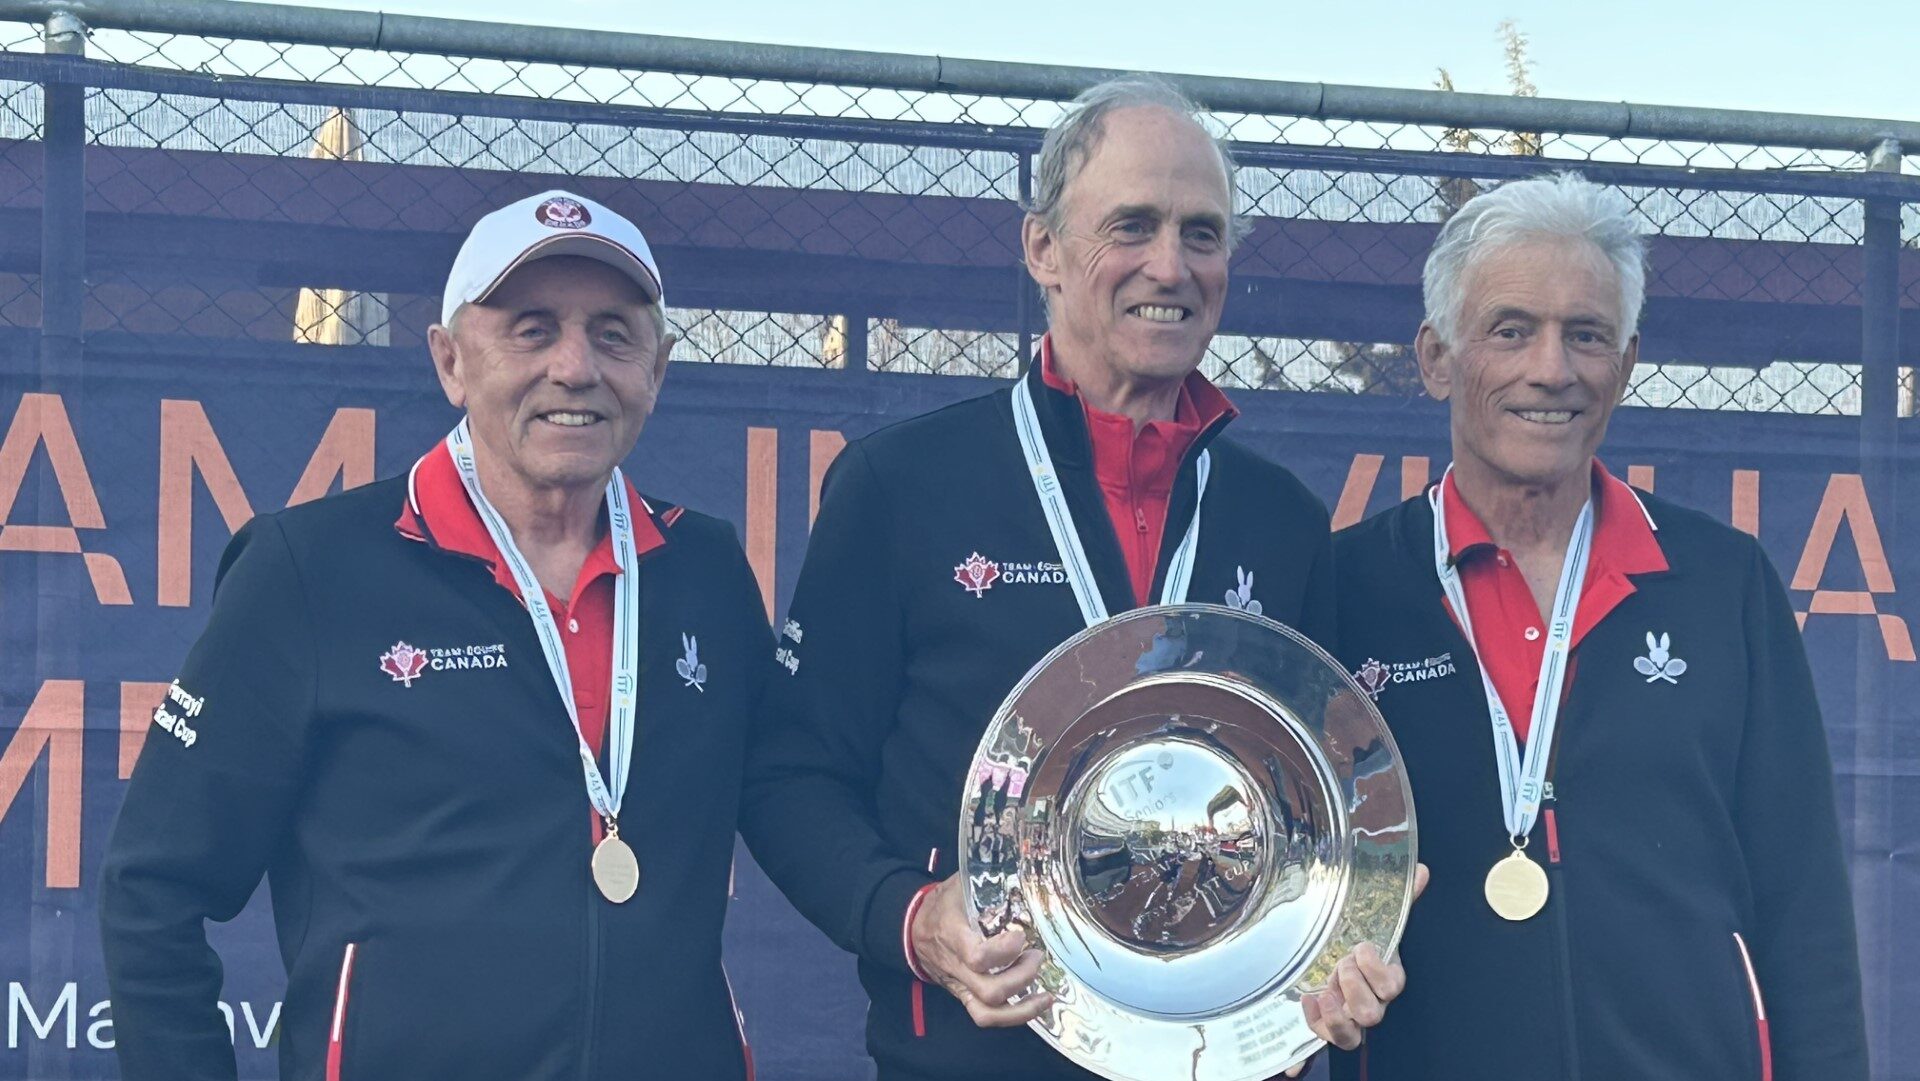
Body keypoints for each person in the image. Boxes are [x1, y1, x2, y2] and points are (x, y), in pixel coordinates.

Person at [743, 77, 1418, 1081]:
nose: (1170, 264)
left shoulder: (1278, 520)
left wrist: (1358, 917)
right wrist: (916, 921)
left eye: (1203, 232)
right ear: (1043, 250)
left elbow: (1318, 818)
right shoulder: (900, 487)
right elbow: (791, 778)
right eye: (1132, 226)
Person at [100, 190, 770, 1080]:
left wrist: (922, 910)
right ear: (450, 361)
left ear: (658, 368)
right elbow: (153, 887)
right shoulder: (309, 568)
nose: (575, 366)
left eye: (614, 332)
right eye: (531, 328)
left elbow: (799, 794)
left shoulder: (705, 569)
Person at [1331, 172, 1868, 1081]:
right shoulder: (1346, 586)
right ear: (1436, 358)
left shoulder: (1723, 583)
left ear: (1625, 363)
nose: (1553, 368)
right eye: (1511, 330)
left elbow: (1803, 906)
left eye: (1587, 334)